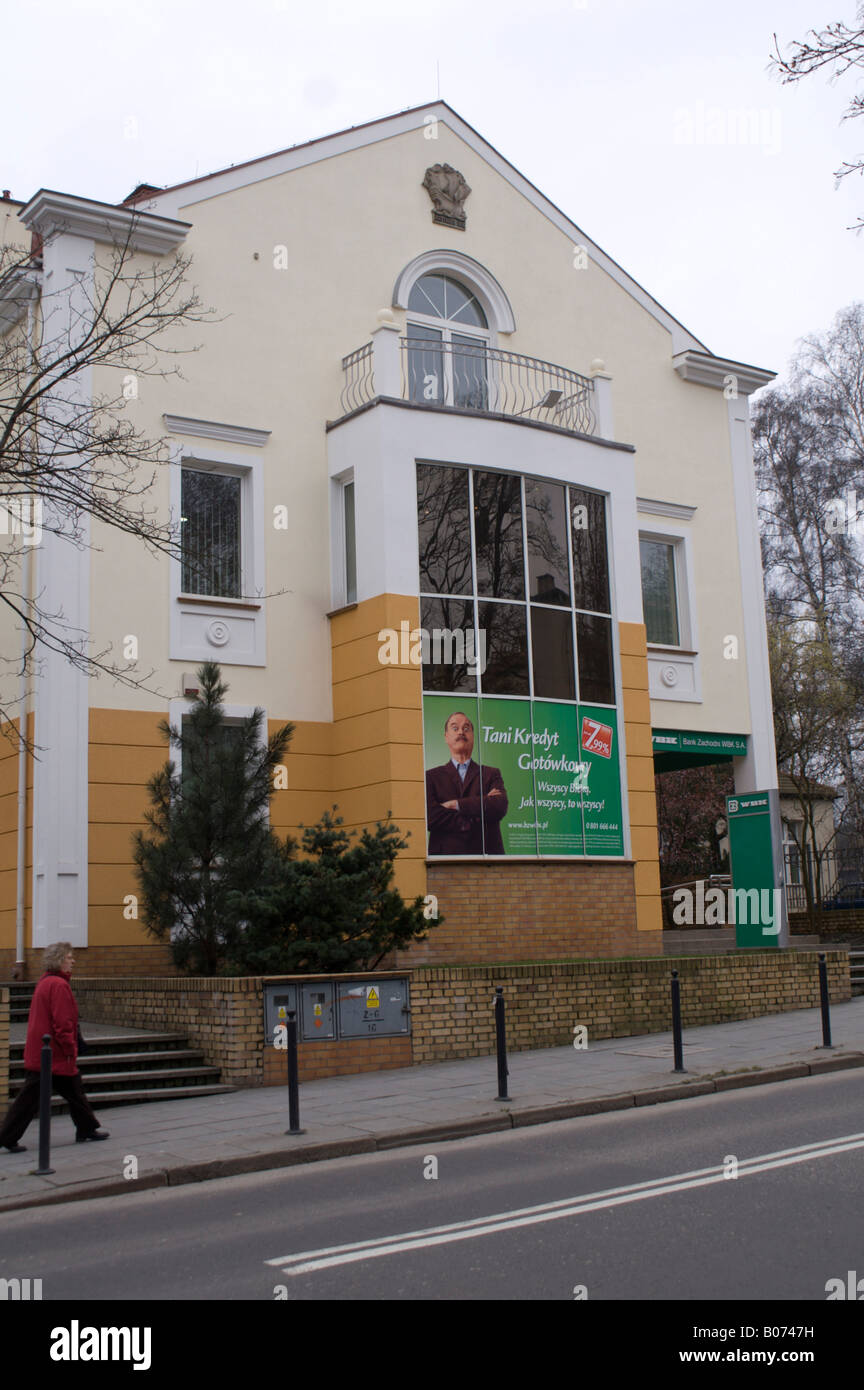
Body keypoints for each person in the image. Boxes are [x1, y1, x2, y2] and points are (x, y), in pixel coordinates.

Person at [0, 942, 109, 1151]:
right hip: (54, 1054)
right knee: (32, 1099)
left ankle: (86, 1127)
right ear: (59, 961)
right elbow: (63, 1022)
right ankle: (7, 1136)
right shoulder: (59, 985)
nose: (73, 961)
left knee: (72, 1092)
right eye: (69, 957)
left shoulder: (45, 982)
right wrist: (70, 1049)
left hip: (43, 1051)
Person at [426, 711, 508, 855]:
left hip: (487, 859)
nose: (461, 732)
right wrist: (478, 812)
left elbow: (499, 806)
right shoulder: (431, 777)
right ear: (446, 737)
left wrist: (456, 805)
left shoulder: (491, 774)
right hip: (444, 861)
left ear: (473, 737)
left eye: (466, 728)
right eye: (455, 728)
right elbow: (431, 816)